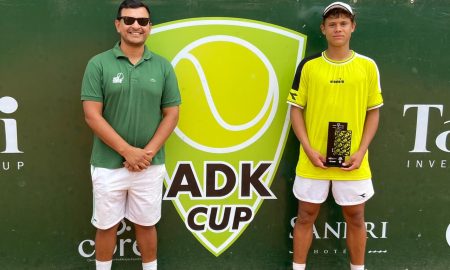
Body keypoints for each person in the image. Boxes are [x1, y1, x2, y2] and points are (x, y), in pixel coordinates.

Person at [81, 0, 181, 269]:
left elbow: (171, 114)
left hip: (149, 165)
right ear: (118, 24)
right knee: (106, 227)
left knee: (147, 225)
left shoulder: (162, 67)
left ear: (150, 27)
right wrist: (128, 152)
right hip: (107, 164)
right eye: (129, 20)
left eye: (142, 21)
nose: (135, 26)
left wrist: (145, 154)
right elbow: (92, 115)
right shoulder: (98, 64)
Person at [287, 2, 383, 270]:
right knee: (305, 216)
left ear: (353, 27)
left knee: (355, 217)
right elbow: (296, 111)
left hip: (353, 160)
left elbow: (373, 113)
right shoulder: (309, 66)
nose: (337, 28)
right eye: (332, 24)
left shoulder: (367, 66)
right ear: (323, 29)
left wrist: (361, 150)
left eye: (343, 23)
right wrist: (307, 148)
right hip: (312, 158)